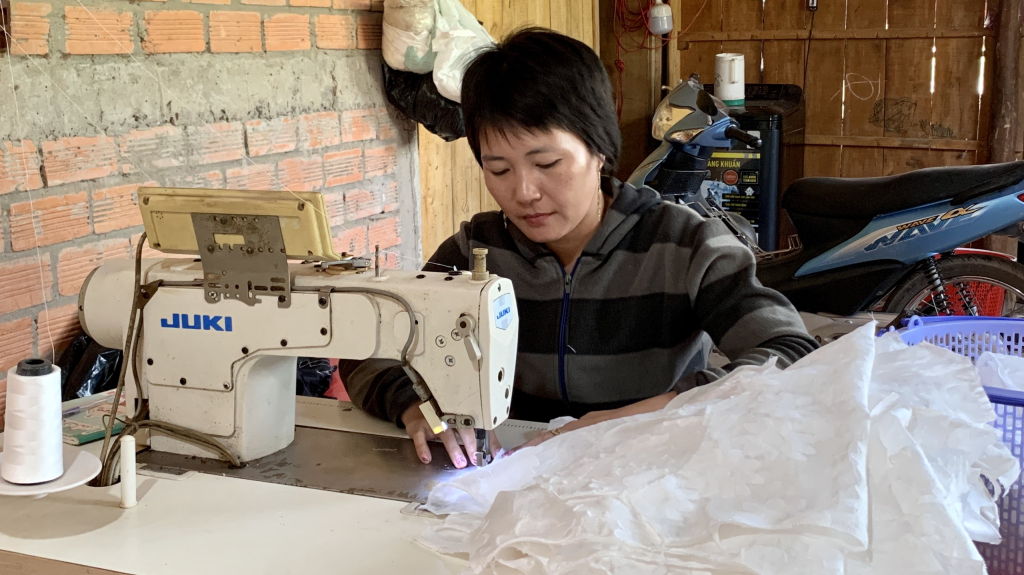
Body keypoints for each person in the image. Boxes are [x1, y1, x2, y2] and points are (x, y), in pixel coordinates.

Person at [340, 28, 817, 469]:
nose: (524, 192)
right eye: (498, 170)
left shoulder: (685, 246)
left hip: (655, 471)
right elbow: (365, 349)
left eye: (547, 163)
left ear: (598, 148)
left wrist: (648, 414)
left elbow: (791, 353)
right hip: (518, 470)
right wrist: (412, 405)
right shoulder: (475, 252)